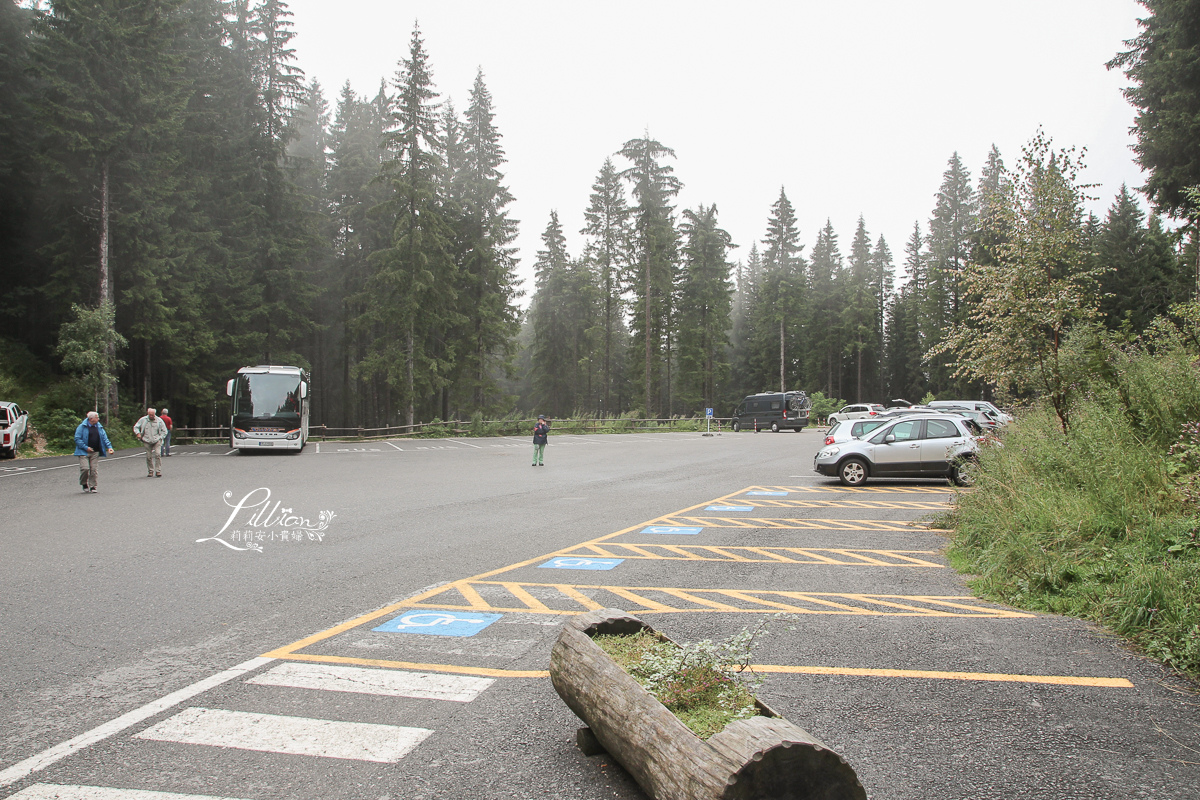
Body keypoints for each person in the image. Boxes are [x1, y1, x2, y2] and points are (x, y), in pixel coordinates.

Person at [73, 411, 114, 493]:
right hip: (83, 452)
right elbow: (77, 439)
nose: (98, 419)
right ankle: (84, 483)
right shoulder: (82, 427)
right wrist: (85, 447)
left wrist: (109, 447)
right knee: (85, 469)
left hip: (95, 452)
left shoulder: (99, 427)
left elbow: (104, 438)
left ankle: (93, 486)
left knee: (93, 470)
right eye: (97, 417)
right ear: (91, 419)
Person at [134, 407, 168, 477]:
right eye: (150, 415)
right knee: (148, 456)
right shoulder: (143, 420)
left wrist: (160, 437)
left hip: (156, 440)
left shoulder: (159, 420)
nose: (151, 416)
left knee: (158, 454)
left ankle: (158, 471)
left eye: (152, 415)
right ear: (148, 414)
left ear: (155, 414)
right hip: (146, 440)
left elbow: (164, 431)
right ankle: (150, 471)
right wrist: (138, 433)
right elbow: (136, 427)